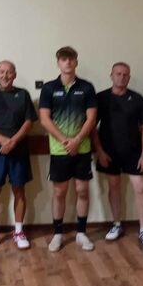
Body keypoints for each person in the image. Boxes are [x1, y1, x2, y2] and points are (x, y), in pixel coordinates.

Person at [39, 46, 98, 252]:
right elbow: (44, 119)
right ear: (58, 63)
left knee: (82, 190)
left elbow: (91, 118)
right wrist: (66, 141)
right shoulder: (49, 88)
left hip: (82, 149)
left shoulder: (87, 87)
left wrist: (77, 140)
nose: (68, 62)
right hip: (59, 150)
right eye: (64, 59)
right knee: (59, 192)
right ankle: (57, 234)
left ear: (76, 62)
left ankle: (81, 232)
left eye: (71, 59)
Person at [92, 62, 143, 248]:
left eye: (125, 74)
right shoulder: (101, 98)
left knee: (140, 188)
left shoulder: (137, 99)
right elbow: (92, 127)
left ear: (129, 77)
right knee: (114, 187)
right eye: (118, 74)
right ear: (111, 76)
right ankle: (117, 224)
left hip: (134, 152)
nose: (121, 77)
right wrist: (99, 151)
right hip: (109, 152)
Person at [0, 60, 37, 250]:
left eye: (9, 72)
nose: (5, 75)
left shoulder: (23, 94)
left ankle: (18, 231)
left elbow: (29, 121)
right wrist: (2, 140)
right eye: (2, 72)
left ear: (15, 74)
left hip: (18, 151)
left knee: (19, 190)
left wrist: (13, 141)